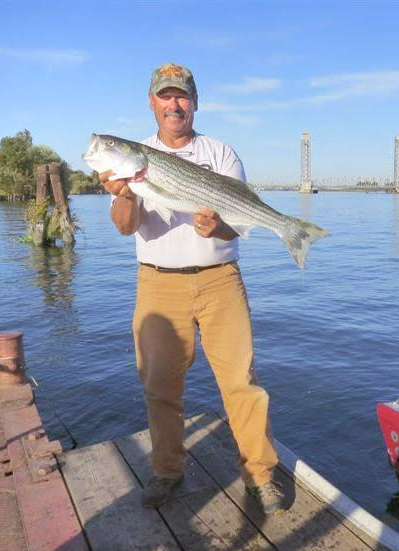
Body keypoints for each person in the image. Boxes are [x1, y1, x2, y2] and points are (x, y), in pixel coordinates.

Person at [100, 62, 285, 515]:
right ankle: (167, 471)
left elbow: (236, 224)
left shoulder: (220, 153)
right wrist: (124, 193)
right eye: (165, 96)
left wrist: (218, 226)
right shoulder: (134, 157)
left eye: (182, 96)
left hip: (220, 280)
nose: (174, 104)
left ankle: (261, 475)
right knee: (159, 385)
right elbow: (125, 227)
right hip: (158, 282)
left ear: (195, 103)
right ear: (151, 102)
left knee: (241, 382)